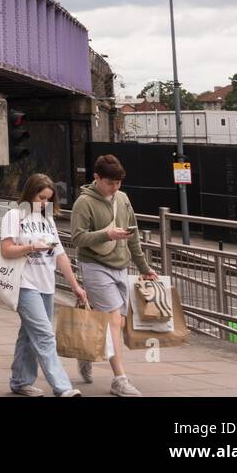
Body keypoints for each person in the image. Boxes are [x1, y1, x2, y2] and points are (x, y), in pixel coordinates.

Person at [71, 154, 159, 396]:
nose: (115, 187)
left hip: (121, 265)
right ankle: (119, 379)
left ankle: (85, 351)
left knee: (117, 323)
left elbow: (134, 235)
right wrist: (106, 235)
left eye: (119, 183)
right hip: (95, 265)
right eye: (110, 183)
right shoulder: (84, 203)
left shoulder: (123, 198)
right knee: (112, 321)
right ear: (96, 178)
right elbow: (77, 238)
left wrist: (144, 267)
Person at [0, 173, 86, 397]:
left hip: (46, 285)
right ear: (30, 193)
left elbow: (60, 255)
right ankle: (63, 387)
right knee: (45, 335)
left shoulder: (48, 219)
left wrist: (76, 286)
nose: (44, 203)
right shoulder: (14, 215)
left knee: (29, 335)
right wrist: (31, 248)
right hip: (24, 283)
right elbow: (6, 250)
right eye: (41, 197)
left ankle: (20, 381)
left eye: (48, 198)